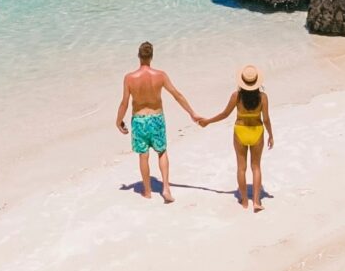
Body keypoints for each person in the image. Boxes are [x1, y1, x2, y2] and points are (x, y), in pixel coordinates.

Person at [115, 41, 197, 202]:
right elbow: (177, 94)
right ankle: (166, 188)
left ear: (139, 56)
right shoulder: (160, 75)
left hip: (139, 120)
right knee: (162, 152)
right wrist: (191, 113)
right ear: (151, 57)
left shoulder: (129, 78)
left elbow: (124, 102)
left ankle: (147, 191)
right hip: (157, 118)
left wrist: (118, 121)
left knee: (143, 155)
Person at [197, 65, 274, 212]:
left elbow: (224, 114)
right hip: (257, 132)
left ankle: (245, 201)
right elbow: (266, 119)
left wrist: (207, 121)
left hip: (240, 132)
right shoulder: (263, 97)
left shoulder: (236, 96)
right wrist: (271, 134)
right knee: (256, 167)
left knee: (241, 168)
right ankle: (256, 202)